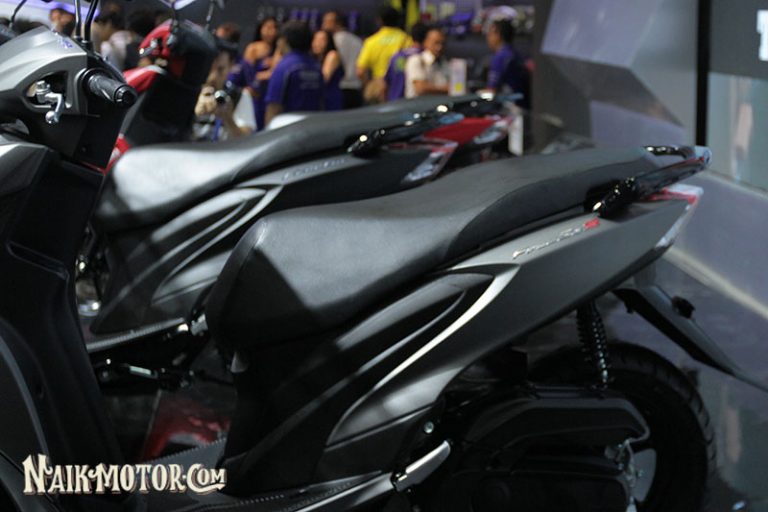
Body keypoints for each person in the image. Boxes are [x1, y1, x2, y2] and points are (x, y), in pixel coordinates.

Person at [264, 21, 324, 125]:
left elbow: (273, 106)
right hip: (311, 126)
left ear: (284, 41)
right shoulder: (316, 68)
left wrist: (269, 130)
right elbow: (321, 103)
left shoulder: (284, 67)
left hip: (288, 128)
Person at [193, 44, 256, 142]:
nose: (213, 77)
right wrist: (194, 113)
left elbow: (247, 141)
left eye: (220, 69)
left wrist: (228, 119)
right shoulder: (190, 90)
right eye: (209, 68)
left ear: (231, 65)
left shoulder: (239, 96)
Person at [228, 17, 279, 130]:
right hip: (254, 94)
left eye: (274, 28)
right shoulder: (253, 48)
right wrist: (253, 84)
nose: (271, 32)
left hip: (268, 94)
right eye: (267, 27)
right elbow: (247, 71)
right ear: (261, 29)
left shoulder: (278, 49)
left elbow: (276, 72)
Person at [356, 6, 409, 104]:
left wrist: (369, 85)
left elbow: (360, 71)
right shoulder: (405, 39)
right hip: (398, 87)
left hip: (378, 87)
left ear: (379, 20)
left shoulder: (371, 41)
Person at [321, 10, 363, 109]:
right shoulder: (357, 40)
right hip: (356, 89)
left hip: (338, 90)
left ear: (335, 23)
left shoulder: (331, 42)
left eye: (326, 22)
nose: (323, 25)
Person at [485, 18, 531, 108]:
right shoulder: (515, 53)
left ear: (498, 35)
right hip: (524, 105)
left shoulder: (500, 58)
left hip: (510, 107)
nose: (487, 38)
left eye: (490, 34)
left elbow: (491, 91)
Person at [384, 21, 427, 101]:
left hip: (394, 102)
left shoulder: (397, 56)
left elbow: (386, 82)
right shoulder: (425, 58)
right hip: (415, 103)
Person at [404, 26, 449, 98]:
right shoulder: (416, 60)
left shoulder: (444, 63)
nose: (439, 47)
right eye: (436, 43)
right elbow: (420, 89)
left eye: (442, 43)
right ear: (426, 42)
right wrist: (446, 89)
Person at [312, 30, 344, 111]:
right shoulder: (313, 58)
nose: (317, 43)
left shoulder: (332, 55)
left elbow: (324, 79)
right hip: (319, 99)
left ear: (329, 42)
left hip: (330, 99)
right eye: (315, 39)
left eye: (322, 40)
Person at [94, 6, 132, 71]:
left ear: (109, 24)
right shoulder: (128, 37)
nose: (98, 31)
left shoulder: (108, 47)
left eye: (100, 25)